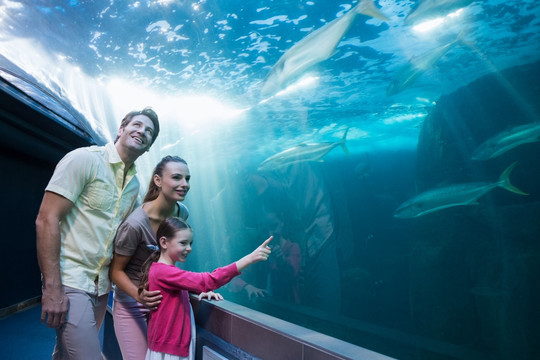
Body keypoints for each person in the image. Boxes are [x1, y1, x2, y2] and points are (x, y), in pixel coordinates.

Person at [35, 107, 160, 360]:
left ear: (148, 147)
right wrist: (52, 287)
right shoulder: (85, 159)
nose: (142, 132)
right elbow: (46, 219)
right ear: (121, 129)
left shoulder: (134, 185)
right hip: (71, 277)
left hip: (102, 286)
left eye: (149, 132)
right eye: (137, 125)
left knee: (66, 355)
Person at [110, 155, 218, 360]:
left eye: (187, 178)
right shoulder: (135, 225)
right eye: (177, 178)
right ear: (158, 181)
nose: (184, 184)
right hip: (132, 302)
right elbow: (115, 272)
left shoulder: (181, 212)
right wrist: (138, 295)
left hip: (164, 301)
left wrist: (199, 287)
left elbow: (170, 260)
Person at [140, 217, 272, 360]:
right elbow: (207, 280)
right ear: (164, 242)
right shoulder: (164, 272)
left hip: (168, 346)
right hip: (170, 350)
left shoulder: (161, 270)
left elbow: (182, 286)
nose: (189, 248)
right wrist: (248, 259)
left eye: (190, 243)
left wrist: (200, 290)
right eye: (183, 243)